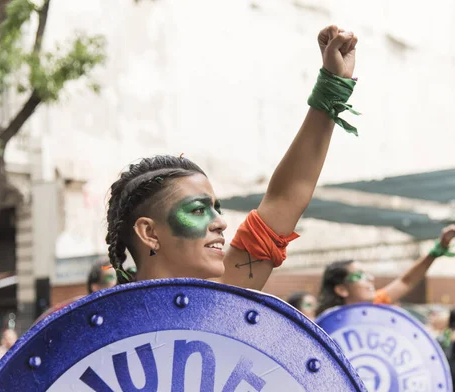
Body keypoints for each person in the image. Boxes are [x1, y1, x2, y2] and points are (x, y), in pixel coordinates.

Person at [103, 26, 360, 292]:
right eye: (198, 210)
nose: (221, 222)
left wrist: (332, 86)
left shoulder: (225, 295)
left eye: (216, 209)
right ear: (149, 233)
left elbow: (286, 198)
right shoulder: (99, 326)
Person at [314, 225, 455, 316]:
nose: (370, 278)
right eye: (360, 276)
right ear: (341, 289)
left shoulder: (377, 302)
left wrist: (438, 250)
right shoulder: (325, 323)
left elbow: (406, 281)